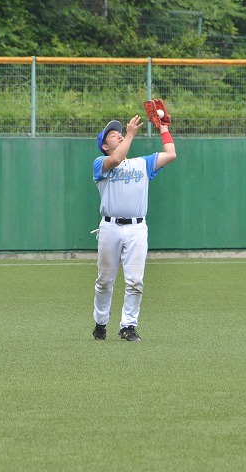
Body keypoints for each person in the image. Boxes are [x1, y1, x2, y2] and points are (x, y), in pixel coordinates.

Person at [91, 114, 177, 341]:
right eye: (113, 135)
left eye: (120, 133)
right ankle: (100, 322)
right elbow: (116, 160)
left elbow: (170, 154)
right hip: (110, 227)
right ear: (104, 146)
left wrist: (164, 128)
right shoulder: (100, 164)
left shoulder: (142, 163)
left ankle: (128, 326)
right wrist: (130, 135)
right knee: (104, 282)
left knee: (135, 281)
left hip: (137, 228)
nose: (119, 135)